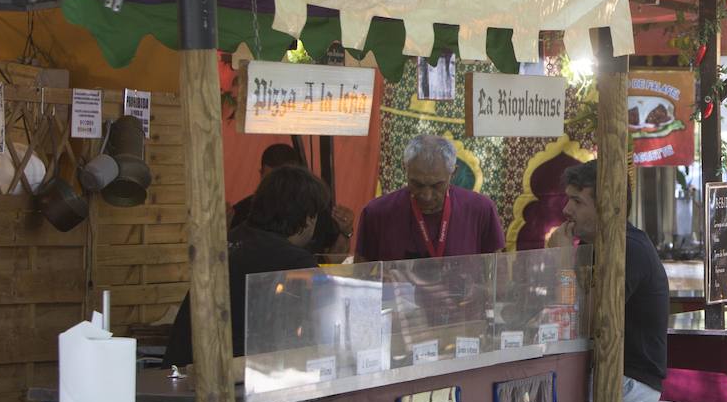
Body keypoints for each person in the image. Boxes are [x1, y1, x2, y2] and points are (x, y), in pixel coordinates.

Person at [560, 159, 665, 402]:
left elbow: (593, 322)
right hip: (607, 375)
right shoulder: (595, 248)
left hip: (630, 380)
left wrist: (559, 262)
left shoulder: (627, 249)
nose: (566, 211)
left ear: (606, 203)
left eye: (576, 201)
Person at [165, 166, 327, 367]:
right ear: (309, 217)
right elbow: (321, 328)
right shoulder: (295, 262)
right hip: (232, 383)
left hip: (181, 370)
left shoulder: (228, 243)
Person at [354, 135, 503, 262]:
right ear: (405, 169)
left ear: (453, 173)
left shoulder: (481, 210)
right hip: (398, 296)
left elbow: (498, 279)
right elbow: (360, 282)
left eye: (437, 185)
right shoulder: (377, 213)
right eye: (417, 184)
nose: (426, 196)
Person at [228, 143, 354, 256]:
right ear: (261, 175)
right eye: (271, 182)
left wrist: (345, 232)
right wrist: (221, 230)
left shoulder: (316, 211)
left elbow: (332, 260)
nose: (277, 192)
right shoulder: (242, 212)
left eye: (285, 185)